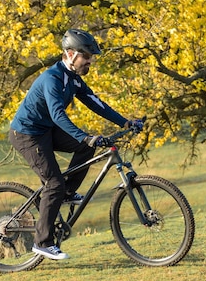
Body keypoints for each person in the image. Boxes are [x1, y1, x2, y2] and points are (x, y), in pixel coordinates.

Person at [9, 28, 142, 260]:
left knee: (87, 147)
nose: (90, 61)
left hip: (46, 130)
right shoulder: (52, 79)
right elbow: (58, 114)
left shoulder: (74, 80)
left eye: (91, 57)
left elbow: (96, 103)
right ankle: (43, 242)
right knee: (54, 183)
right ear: (70, 54)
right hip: (27, 134)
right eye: (86, 56)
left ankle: (67, 193)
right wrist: (83, 135)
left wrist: (125, 122)